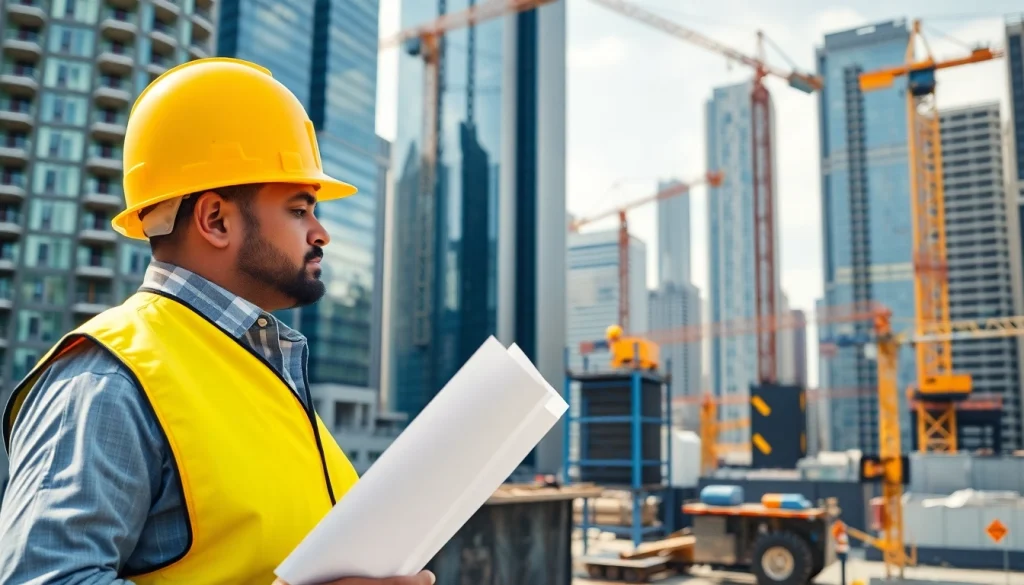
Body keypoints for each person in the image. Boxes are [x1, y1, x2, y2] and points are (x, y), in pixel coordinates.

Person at [0, 58, 435, 585]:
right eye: (300, 210)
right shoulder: (107, 380)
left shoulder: (261, 371)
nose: (321, 233)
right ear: (215, 219)